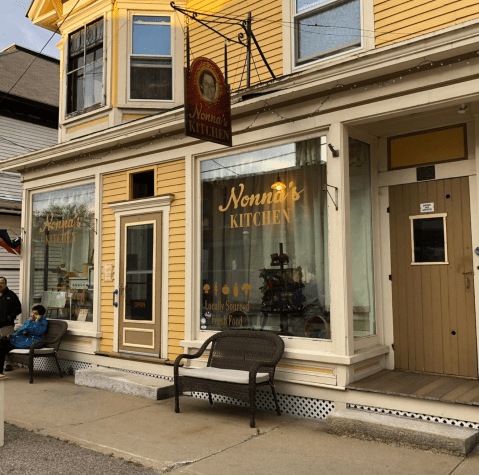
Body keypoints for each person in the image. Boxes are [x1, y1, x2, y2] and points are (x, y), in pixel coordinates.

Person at [0, 305, 48, 375]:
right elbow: (21, 330)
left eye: (36, 313)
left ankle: (0, 372)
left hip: (28, 341)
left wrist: (37, 322)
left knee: (3, 346)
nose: (33, 315)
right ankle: (0, 372)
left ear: (40, 315)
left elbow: (38, 332)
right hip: (20, 338)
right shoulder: (29, 321)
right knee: (2, 342)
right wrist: (13, 335)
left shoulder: (43, 323)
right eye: (32, 313)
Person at [0, 276, 22, 371]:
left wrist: (10, 317)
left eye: (2, 283)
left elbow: (18, 309)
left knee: (7, 344)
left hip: (7, 325)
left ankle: (9, 363)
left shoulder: (11, 295)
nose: (0, 285)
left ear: (5, 284)